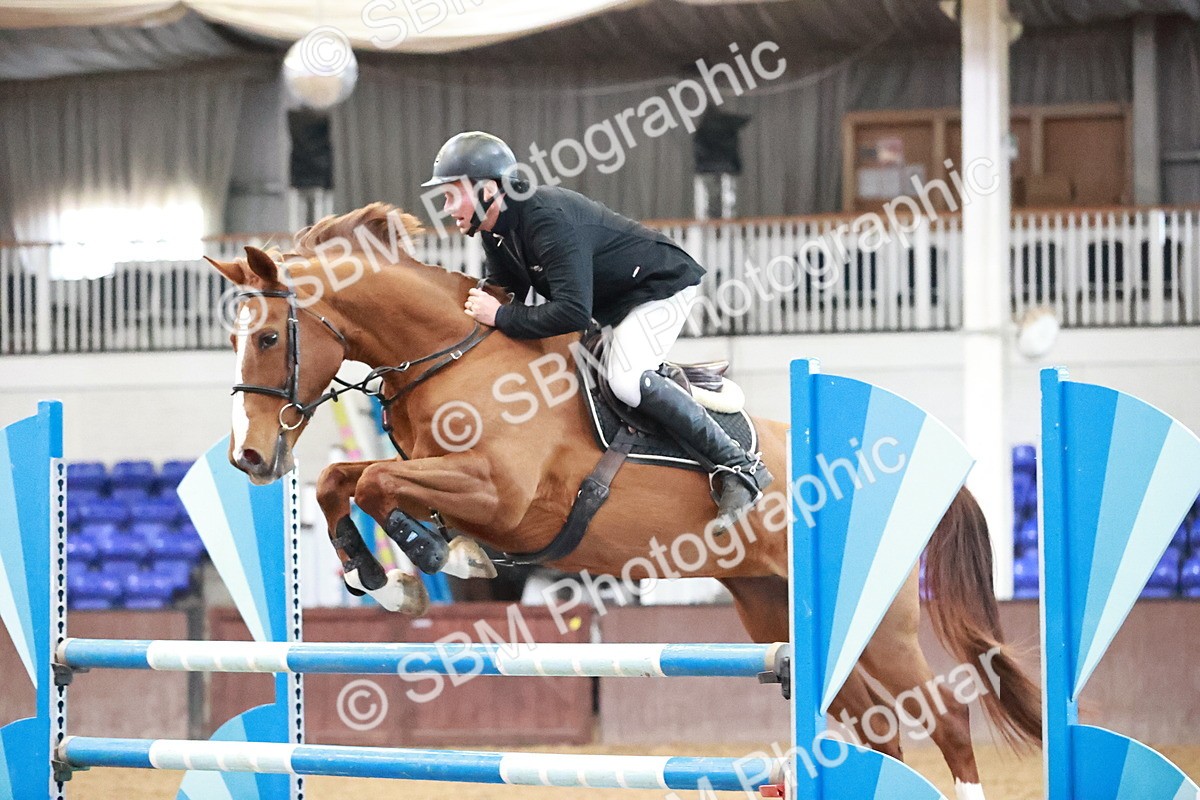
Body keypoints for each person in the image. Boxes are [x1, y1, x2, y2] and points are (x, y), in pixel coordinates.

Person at [422, 131, 772, 531]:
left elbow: (570, 312)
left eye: (451, 196)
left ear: (487, 190)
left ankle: (739, 467)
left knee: (624, 381)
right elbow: (508, 293)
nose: (446, 208)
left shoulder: (547, 219)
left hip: (659, 289)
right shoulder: (495, 230)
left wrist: (499, 317)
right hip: (611, 306)